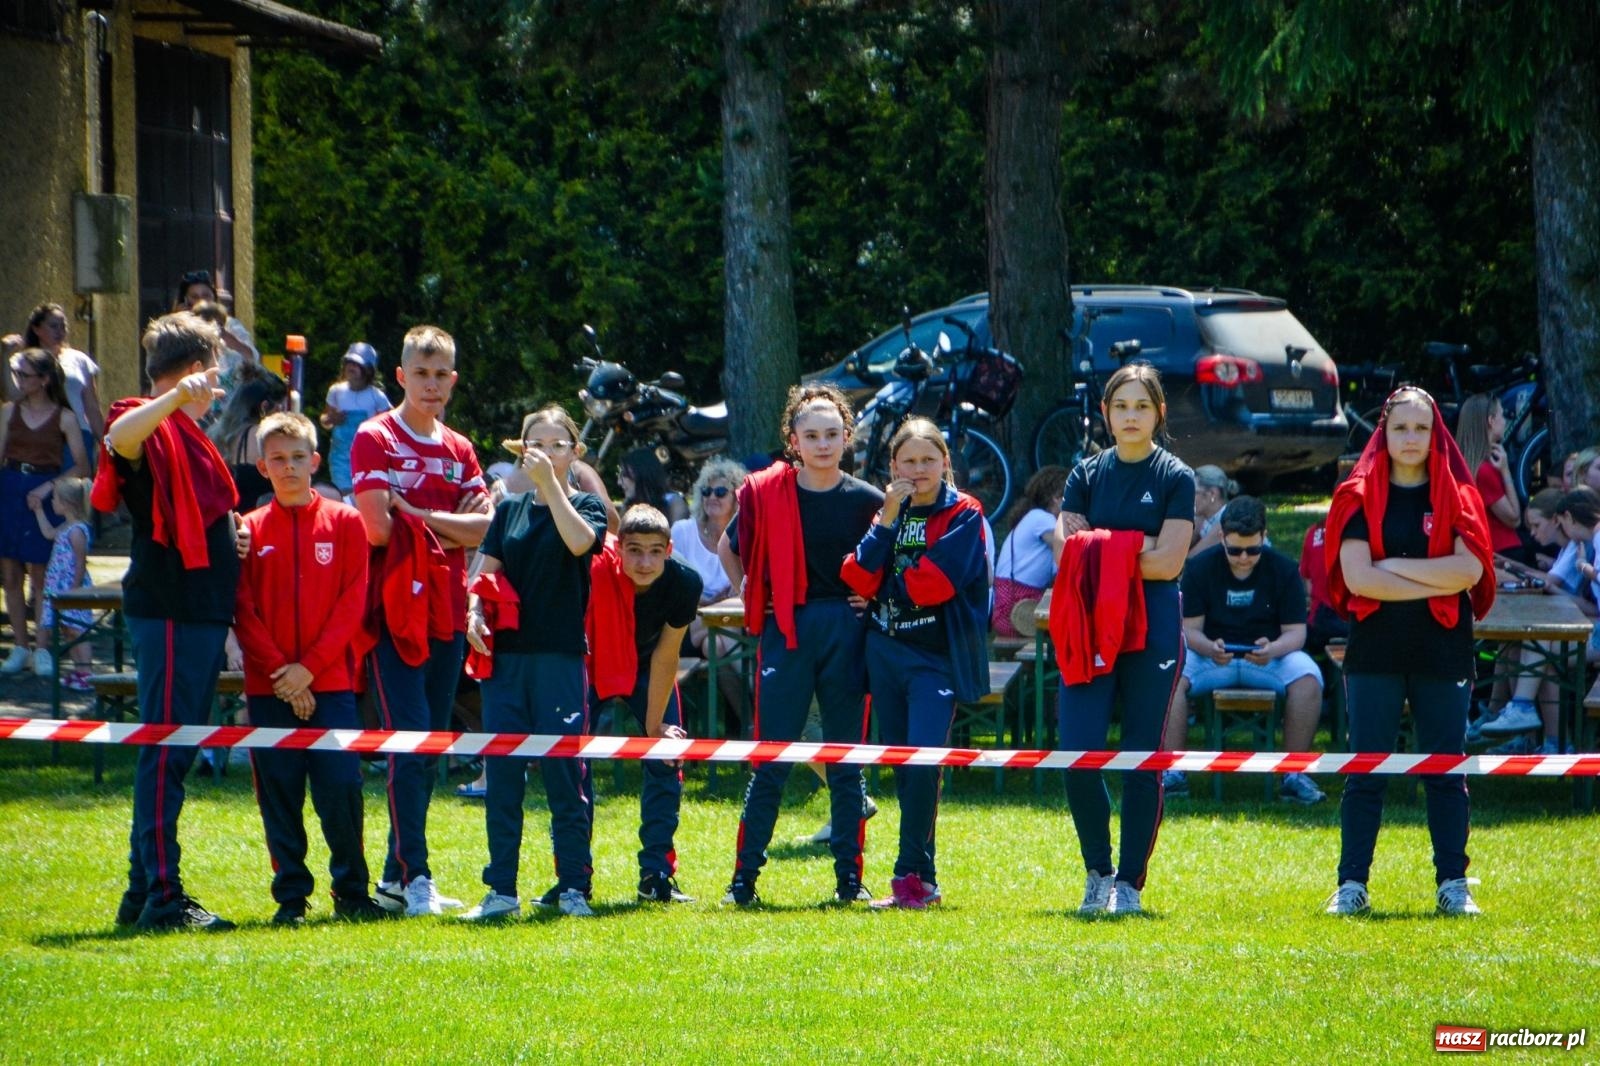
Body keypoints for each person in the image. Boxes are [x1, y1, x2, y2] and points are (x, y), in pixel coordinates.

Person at [1323, 386, 1495, 917]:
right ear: (1384, 432)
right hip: (1374, 651)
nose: (1411, 438)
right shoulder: (1356, 494)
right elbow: (1356, 580)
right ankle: (1352, 886)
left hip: (1443, 651)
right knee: (1366, 770)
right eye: (1401, 428)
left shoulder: (1458, 495)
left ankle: (1453, 885)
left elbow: (1468, 571)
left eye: (1422, 428)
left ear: (1436, 432)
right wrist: (1430, 576)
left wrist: (1390, 567)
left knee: (1446, 771)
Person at [98, 310, 242, 931]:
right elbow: (118, 441)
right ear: (192, 372)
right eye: (213, 375)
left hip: (204, 610)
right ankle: (163, 894)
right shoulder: (145, 420)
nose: (217, 390)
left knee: (174, 750)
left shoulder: (194, 435)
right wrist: (175, 397)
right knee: (166, 749)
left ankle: (139, 895)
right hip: (169, 607)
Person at [717, 383, 883, 906]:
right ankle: (744, 881)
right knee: (772, 758)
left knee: (845, 759)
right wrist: (753, 591)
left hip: (845, 630)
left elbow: (888, 565)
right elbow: (728, 545)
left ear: (847, 437)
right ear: (793, 440)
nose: (823, 443)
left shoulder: (868, 500)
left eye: (832, 434)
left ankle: (849, 882)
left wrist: (870, 603)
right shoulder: (767, 492)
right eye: (811, 435)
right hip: (787, 628)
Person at [350, 324, 490, 917]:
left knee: (428, 746)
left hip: (448, 610)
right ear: (401, 377)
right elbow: (378, 528)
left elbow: (483, 529)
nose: (431, 385)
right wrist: (443, 522)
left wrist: (413, 509)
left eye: (442, 375)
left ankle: (394, 879)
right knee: (408, 741)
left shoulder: (459, 448)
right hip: (393, 611)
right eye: (421, 374)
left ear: (453, 381)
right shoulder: (373, 436)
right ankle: (416, 879)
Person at [231, 412, 390, 924]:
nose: (289, 467)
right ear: (262, 467)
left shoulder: (345, 521)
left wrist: (311, 671)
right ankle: (291, 898)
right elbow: (244, 609)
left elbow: (353, 601)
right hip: (268, 689)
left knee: (341, 790)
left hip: (334, 687)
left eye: (299, 457)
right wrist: (283, 674)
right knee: (278, 794)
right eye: (277, 459)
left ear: (316, 460)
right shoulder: (249, 530)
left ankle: (352, 892)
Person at [1052, 363, 1194, 916]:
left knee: (1142, 757)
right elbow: (1066, 553)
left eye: (1141, 406)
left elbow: (1169, 563)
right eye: (1120, 406)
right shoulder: (1085, 473)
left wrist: (1101, 547)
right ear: (1105, 414)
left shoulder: (1175, 476)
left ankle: (1129, 884)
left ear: (1159, 412)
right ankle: (1098, 872)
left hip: (1152, 629)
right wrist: (1138, 542)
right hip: (1088, 624)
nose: (1130, 416)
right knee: (1076, 753)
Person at [462, 404, 609, 920]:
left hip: (560, 658)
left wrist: (551, 486)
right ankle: (501, 889)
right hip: (506, 663)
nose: (544, 455)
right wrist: (475, 614)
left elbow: (579, 544)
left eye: (556, 446)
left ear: (575, 453)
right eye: (535, 446)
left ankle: (572, 887)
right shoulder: (507, 512)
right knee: (502, 777)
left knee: (565, 777)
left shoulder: (587, 506)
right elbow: (482, 578)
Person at [840, 419, 990, 909]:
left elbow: (934, 584)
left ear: (946, 462)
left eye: (930, 460)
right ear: (893, 467)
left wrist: (879, 584)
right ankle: (923, 880)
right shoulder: (888, 512)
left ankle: (909, 876)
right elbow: (855, 575)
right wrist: (885, 521)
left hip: (936, 658)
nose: (920, 470)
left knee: (924, 763)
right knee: (904, 769)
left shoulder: (965, 512)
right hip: (884, 653)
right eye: (910, 461)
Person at [1161, 495, 1326, 805]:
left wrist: (1274, 648)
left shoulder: (1284, 569)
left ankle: (1293, 774)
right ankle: (1174, 771)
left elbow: (1297, 634)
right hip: (1212, 655)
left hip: (1268, 657)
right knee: (1170, 675)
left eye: (1253, 549)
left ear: (1265, 537)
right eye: (1235, 550)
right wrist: (1209, 647)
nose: (1244, 558)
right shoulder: (1199, 567)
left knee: (1308, 677)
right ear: (1221, 538)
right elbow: (1188, 630)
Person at [587, 504, 701, 905]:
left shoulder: (685, 582)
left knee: (667, 756)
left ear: (669, 550)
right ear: (618, 549)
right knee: (572, 763)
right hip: (593, 660)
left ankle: (656, 875)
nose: (645, 561)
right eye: (634, 550)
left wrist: (655, 729)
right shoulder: (594, 570)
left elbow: (667, 655)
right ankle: (573, 876)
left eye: (655, 551)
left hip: (648, 667)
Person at [1, 348, 91, 677]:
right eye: (17, 374)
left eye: (25, 374)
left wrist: (49, 487)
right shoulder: (8, 412)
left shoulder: (64, 417)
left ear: (44, 379)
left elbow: (81, 465)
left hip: (43, 491)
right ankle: (20, 646)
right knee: (10, 574)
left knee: (40, 575)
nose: (19, 381)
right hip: (10, 488)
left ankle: (42, 647)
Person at [670, 457, 751, 736]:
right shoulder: (682, 532)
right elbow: (671, 586)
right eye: (706, 491)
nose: (711, 498)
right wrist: (713, 602)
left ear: (737, 497)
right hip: (686, 630)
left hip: (732, 630)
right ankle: (758, 719)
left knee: (717, 646)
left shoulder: (745, 536)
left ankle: (749, 726)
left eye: (720, 492)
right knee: (720, 636)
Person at [35, 476, 96, 692]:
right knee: (67, 629)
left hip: (71, 587)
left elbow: (80, 561)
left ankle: (87, 672)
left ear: (68, 503)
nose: (52, 503)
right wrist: (38, 510)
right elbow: (48, 533)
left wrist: (75, 588)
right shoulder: (66, 526)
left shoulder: (77, 530)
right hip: (59, 588)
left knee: (77, 629)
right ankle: (79, 671)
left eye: (55, 499)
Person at [991, 465, 1068, 637]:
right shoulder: (1041, 519)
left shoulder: (1034, 517)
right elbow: (1067, 549)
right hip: (1016, 610)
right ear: (1057, 498)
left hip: (1013, 605)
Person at [23, 303, 103, 467]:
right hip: (38, 435)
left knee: (72, 488)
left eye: (63, 326)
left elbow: (92, 407)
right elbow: (12, 397)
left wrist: (106, 442)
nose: (60, 331)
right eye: (53, 326)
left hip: (78, 437)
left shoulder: (79, 360)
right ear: (37, 329)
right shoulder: (23, 361)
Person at [207, 362, 290, 511]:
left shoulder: (216, 434)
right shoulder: (265, 438)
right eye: (281, 408)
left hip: (226, 521)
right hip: (257, 524)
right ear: (264, 407)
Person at [1456, 393, 1526, 563]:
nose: (1504, 420)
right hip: (1504, 550)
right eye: (1502, 415)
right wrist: (1505, 471)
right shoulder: (1485, 470)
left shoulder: (1464, 467)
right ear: (1490, 420)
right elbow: (1514, 518)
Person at [320, 342, 392, 496]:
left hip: (366, 456)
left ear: (368, 370)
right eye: (349, 363)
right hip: (340, 456)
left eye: (357, 364)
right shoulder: (336, 391)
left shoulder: (377, 396)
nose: (351, 367)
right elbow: (325, 420)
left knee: (362, 494)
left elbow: (390, 425)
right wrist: (331, 419)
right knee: (344, 495)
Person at [619, 447, 689, 524]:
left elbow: (676, 534)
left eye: (625, 475)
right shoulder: (627, 507)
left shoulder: (673, 503)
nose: (619, 482)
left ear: (642, 473)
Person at [1188, 464, 1238, 557]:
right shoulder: (1205, 518)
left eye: (1192, 492)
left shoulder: (1228, 519)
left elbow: (1190, 561)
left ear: (1212, 494)